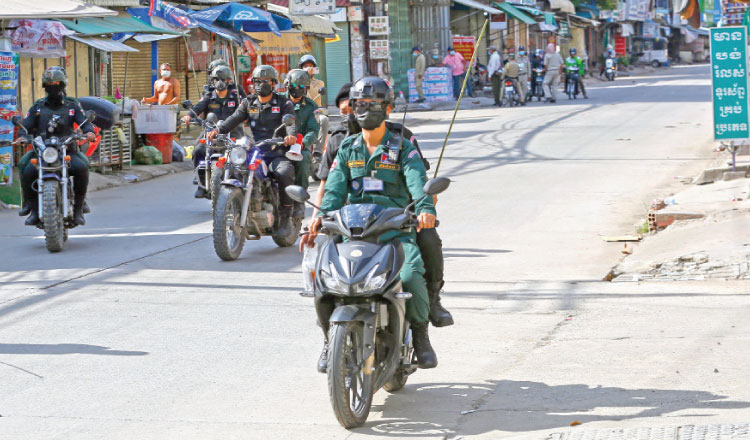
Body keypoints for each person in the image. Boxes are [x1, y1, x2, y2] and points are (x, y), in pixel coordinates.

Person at [302, 77, 440, 370]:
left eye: (373, 104)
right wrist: (321, 218)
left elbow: (417, 181)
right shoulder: (348, 147)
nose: (366, 110)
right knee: (323, 279)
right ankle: (329, 340)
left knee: (412, 275)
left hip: (394, 230)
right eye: (360, 105)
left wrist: (425, 208)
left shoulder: (402, 147)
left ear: (387, 108)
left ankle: (421, 336)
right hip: (353, 230)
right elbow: (335, 190)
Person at [206, 65, 298, 236]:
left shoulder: (283, 103)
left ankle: (285, 217)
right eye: (257, 81)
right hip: (255, 150)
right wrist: (218, 131)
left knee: (284, 172)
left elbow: (291, 124)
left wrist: (290, 136)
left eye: (265, 81)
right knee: (234, 167)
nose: (260, 84)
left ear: (273, 83)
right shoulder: (248, 102)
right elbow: (233, 119)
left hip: (276, 151)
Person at [16, 66, 96, 226]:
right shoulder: (38, 106)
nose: (53, 87)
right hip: (42, 152)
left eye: (57, 83)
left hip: (68, 149)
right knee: (24, 165)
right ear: (45, 86)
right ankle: (31, 207)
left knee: (82, 167)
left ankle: (79, 208)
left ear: (63, 85)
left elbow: (84, 121)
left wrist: (89, 131)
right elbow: (26, 124)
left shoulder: (72, 105)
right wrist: (22, 136)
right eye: (49, 84)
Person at [182, 65, 244, 198]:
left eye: (223, 79)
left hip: (233, 131)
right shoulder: (209, 95)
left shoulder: (236, 95)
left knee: (243, 152)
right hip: (211, 131)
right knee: (198, 150)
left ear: (229, 81)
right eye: (216, 79)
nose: (219, 82)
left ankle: (243, 182)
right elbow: (198, 107)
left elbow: (246, 110)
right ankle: (201, 183)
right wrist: (189, 115)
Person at [285, 69, 320, 219]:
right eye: (294, 85)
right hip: (279, 143)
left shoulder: (311, 107)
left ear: (306, 88)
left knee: (304, 159)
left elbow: (313, 131)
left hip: (299, 147)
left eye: (301, 86)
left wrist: (303, 144)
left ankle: (299, 202)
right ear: (288, 85)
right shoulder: (280, 101)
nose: (297, 89)